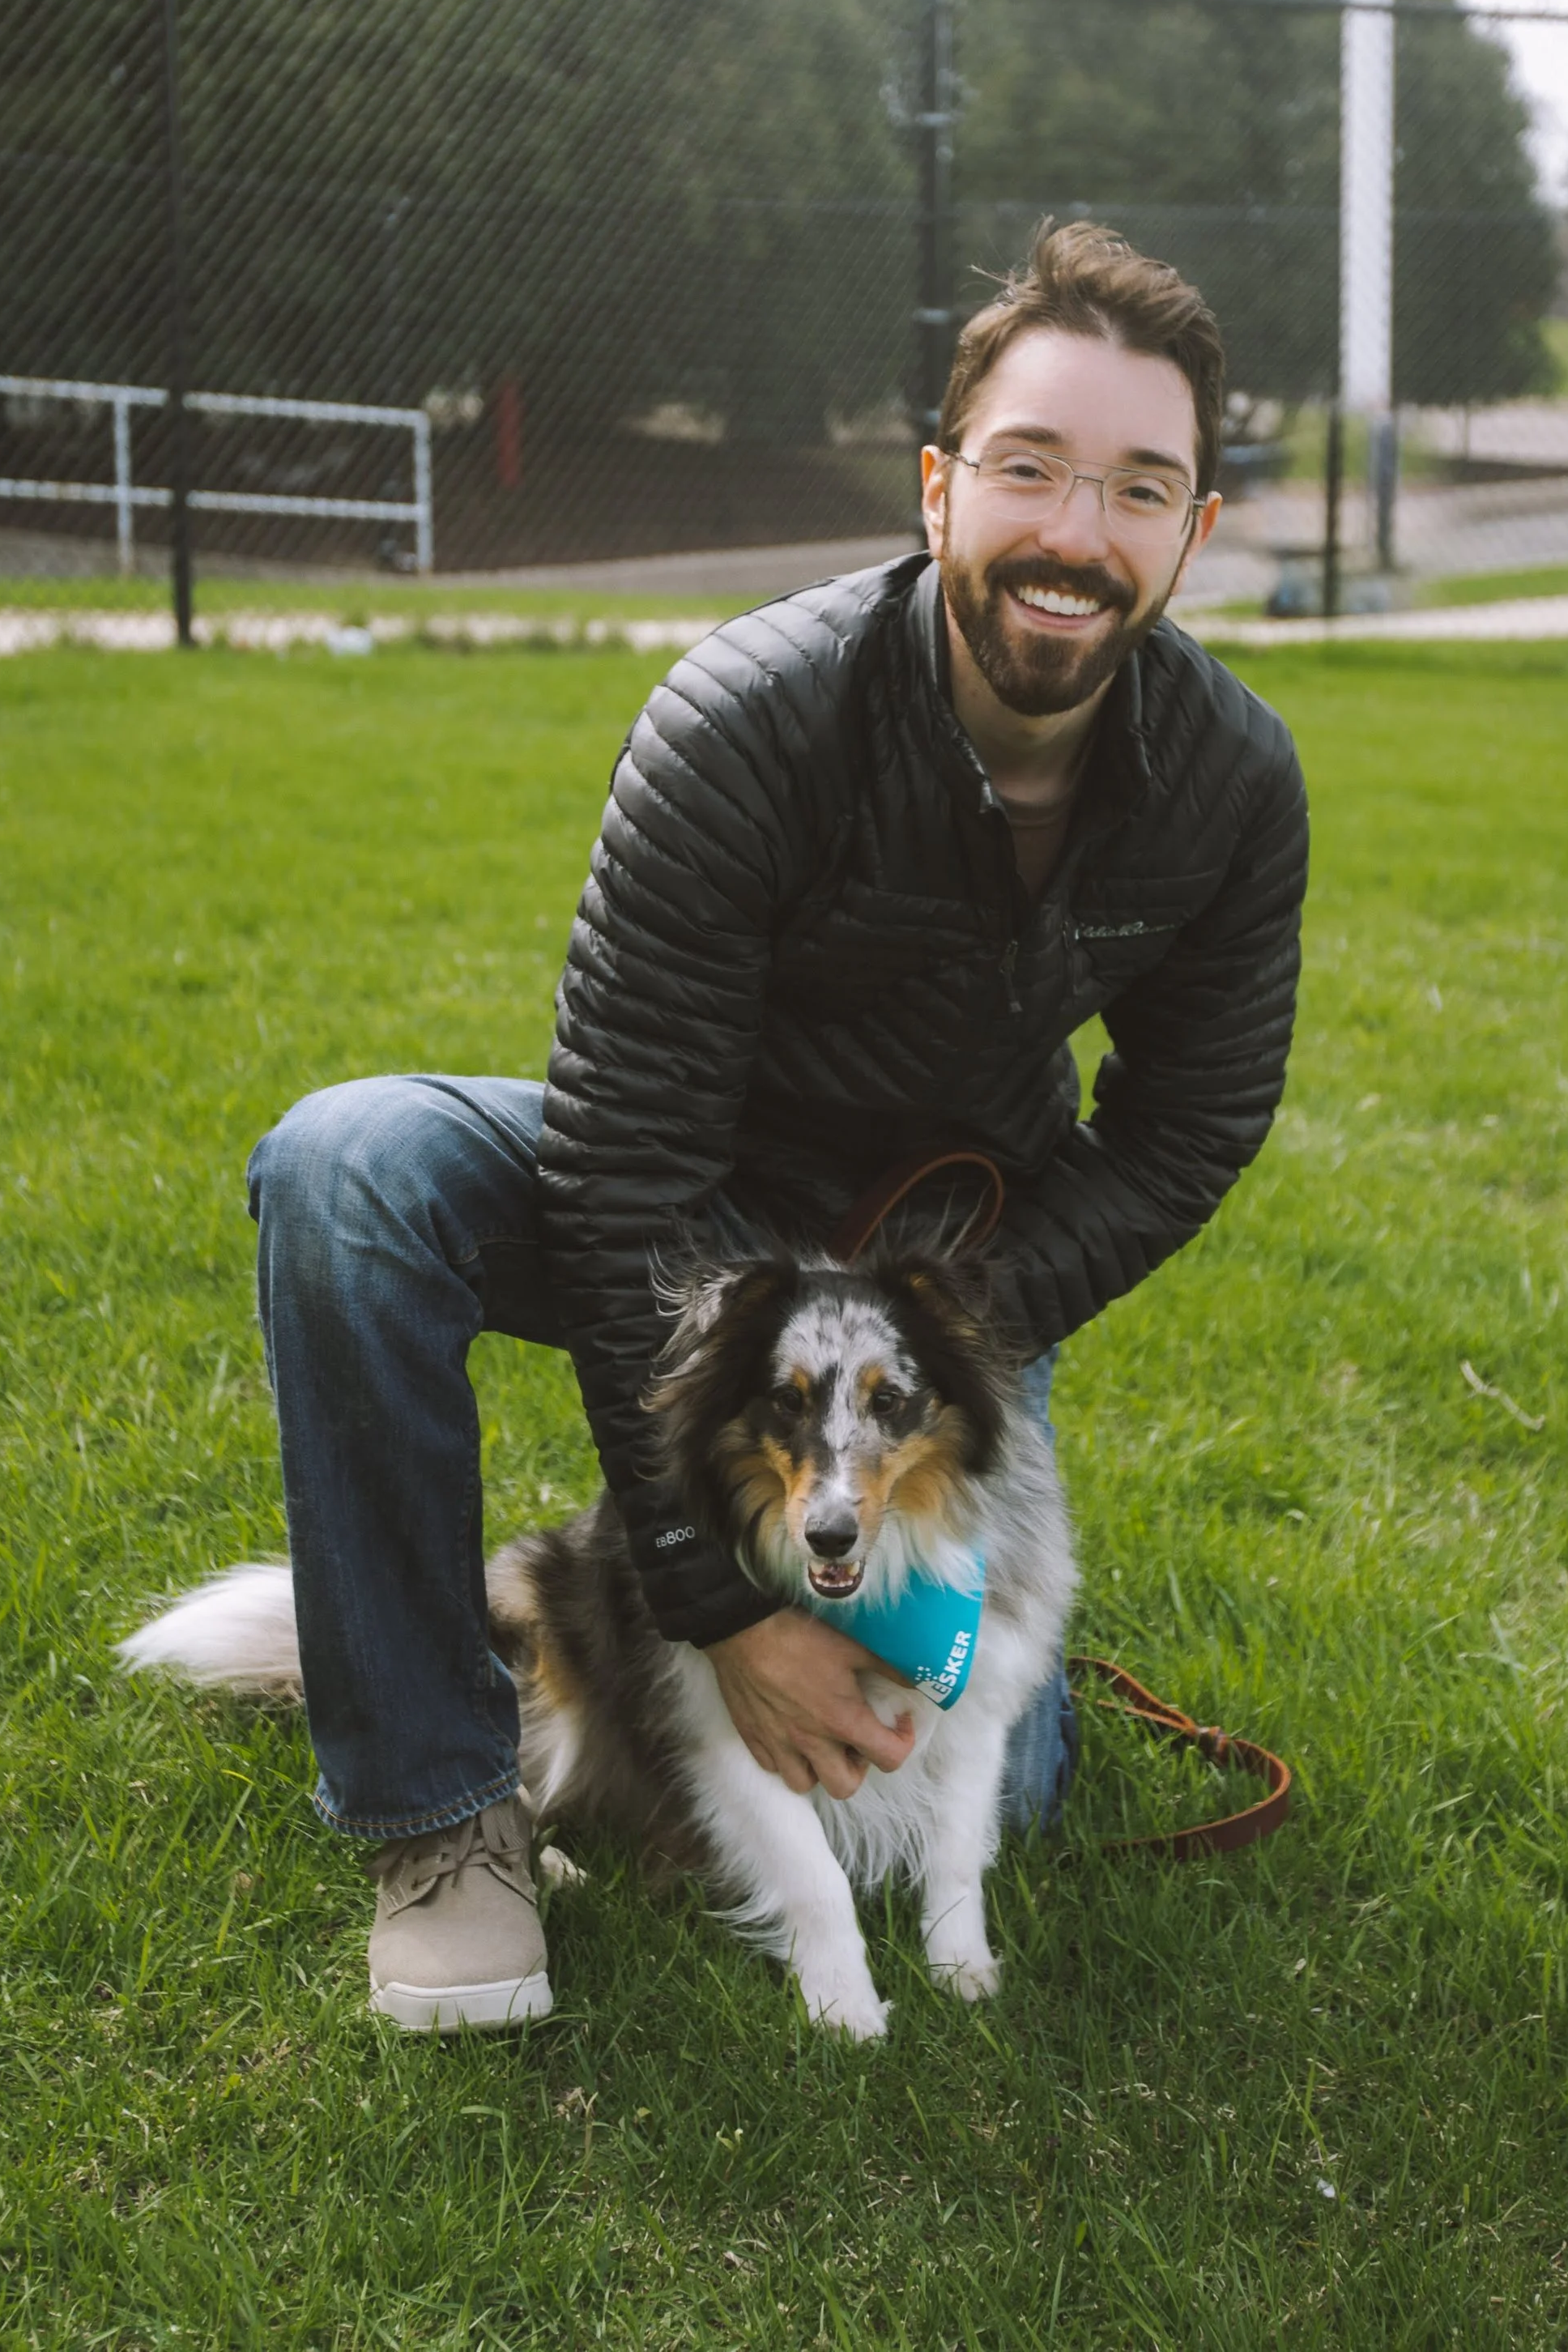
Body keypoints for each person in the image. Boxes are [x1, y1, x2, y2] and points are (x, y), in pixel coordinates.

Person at [246, 219, 1308, 2030]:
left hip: (936, 1270)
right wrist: (716, 1607)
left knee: (999, 1788)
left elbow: (1187, 1126)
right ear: (935, 486)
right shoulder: (742, 720)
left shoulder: (1229, 777)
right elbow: (618, 1170)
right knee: (351, 1175)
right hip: (686, 1208)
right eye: (1028, 467)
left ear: (1193, 530)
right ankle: (442, 1799)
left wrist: (947, 1340)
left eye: (1140, 487)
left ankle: (585, 1621)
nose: (1075, 531)